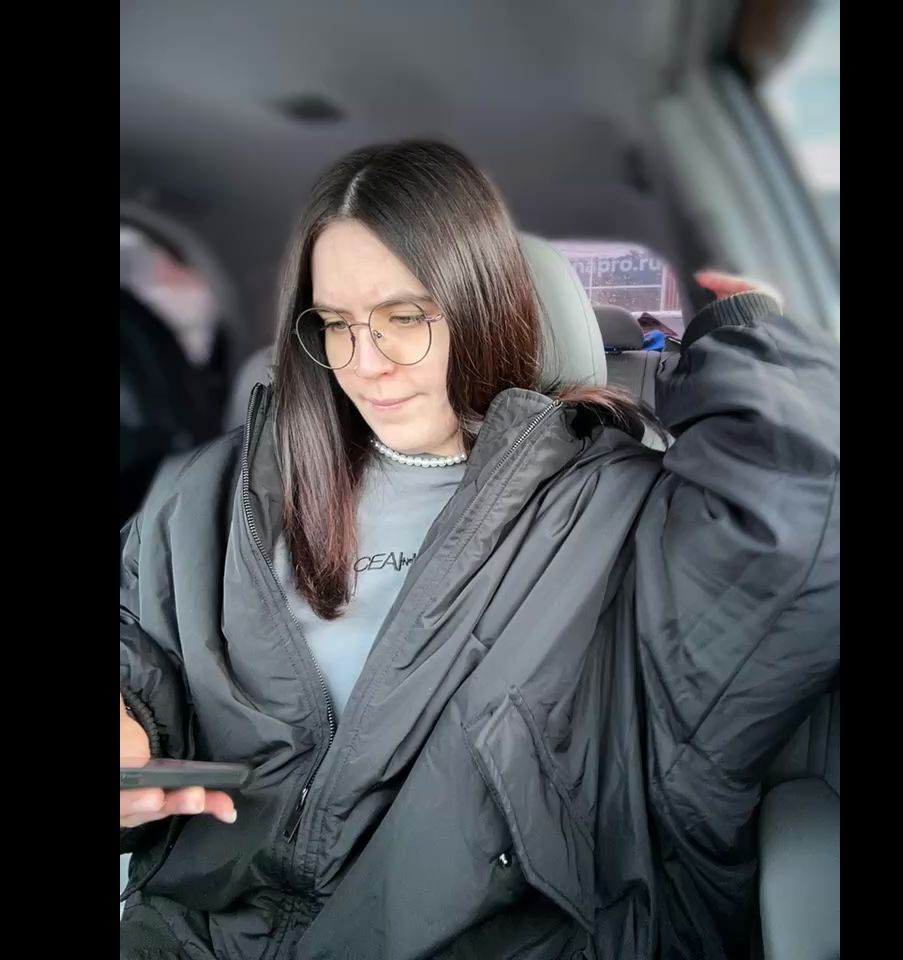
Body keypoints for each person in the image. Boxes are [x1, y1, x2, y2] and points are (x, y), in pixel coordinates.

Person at [120, 141, 840, 960]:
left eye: (404, 317)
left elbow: (796, 532)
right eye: (336, 325)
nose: (366, 364)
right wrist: (131, 724)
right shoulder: (216, 492)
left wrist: (749, 335)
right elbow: (137, 635)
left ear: (481, 302)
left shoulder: (612, 514)